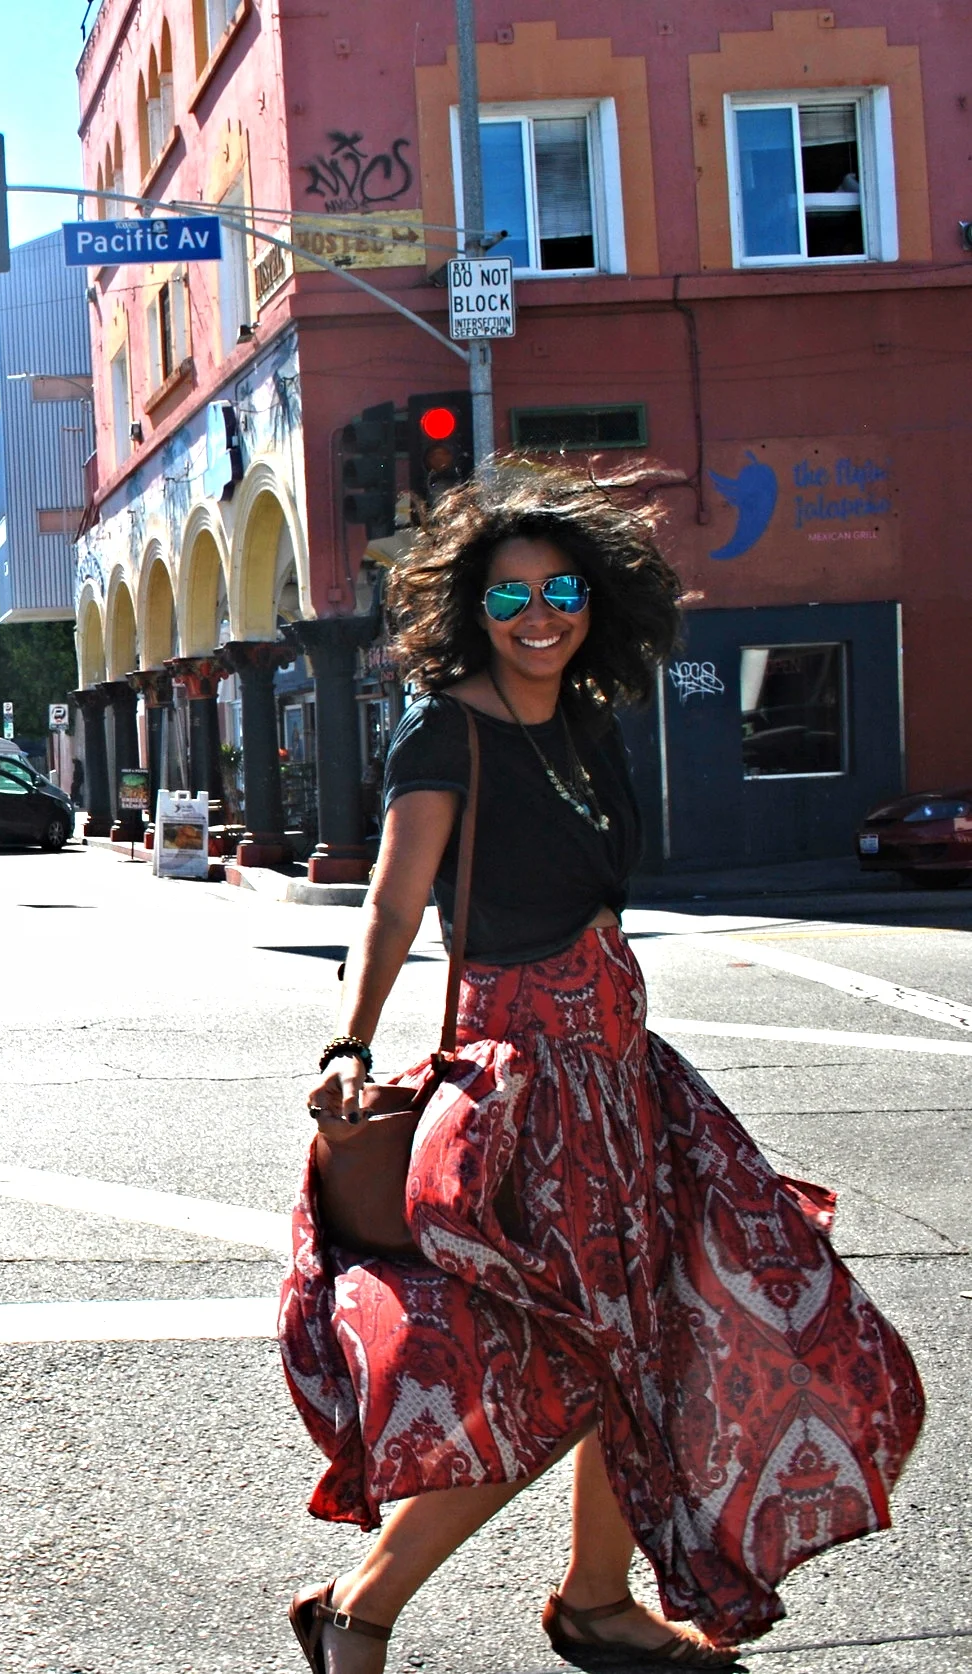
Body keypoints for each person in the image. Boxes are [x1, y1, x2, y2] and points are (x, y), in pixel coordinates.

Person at [281, 464, 923, 1672]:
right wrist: (351, 1036)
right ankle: (359, 1607)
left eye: (560, 589)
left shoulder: (582, 716)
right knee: (581, 1360)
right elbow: (392, 896)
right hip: (531, 1081)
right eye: (509, 594)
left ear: (595, 599)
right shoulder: (446, 723)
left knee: (672, 1337)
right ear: (473, 608)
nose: (538, 615)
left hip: (626, 1072)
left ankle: (594, 1599)